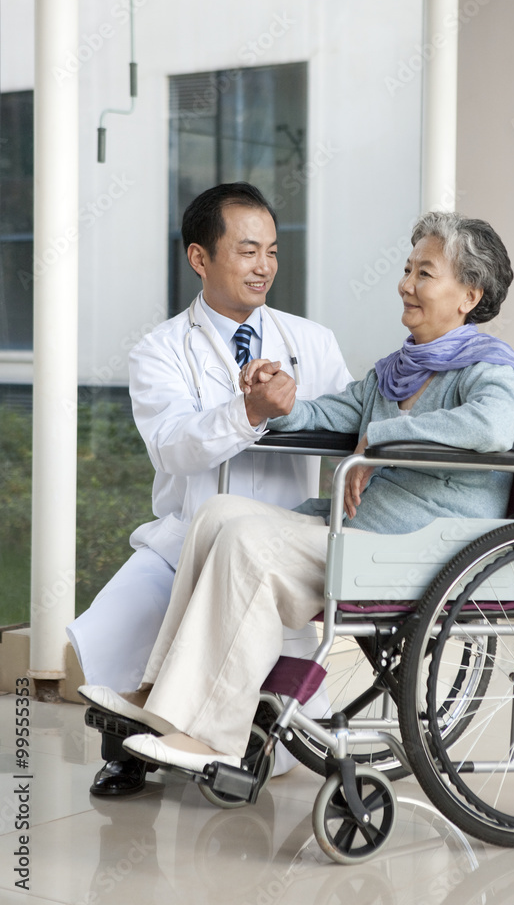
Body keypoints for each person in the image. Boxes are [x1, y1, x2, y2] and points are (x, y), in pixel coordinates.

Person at [79, 210, 514, 775]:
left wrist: (383, 437)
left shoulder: (489, 369)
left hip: (422, 546)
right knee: (218, 514)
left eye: (424, 273)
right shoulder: (396, 372)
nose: (405, 284)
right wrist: (275, 399)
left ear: (469, 294)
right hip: (366, 534)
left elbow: (490, 430)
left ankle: (213, 733)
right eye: (407, 269)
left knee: (249, 543)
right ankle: (159, 695)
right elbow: (331, 412)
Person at [69, 181, 352, 794]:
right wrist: (248, 411)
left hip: (277, 547)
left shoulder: (312, 343)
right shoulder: (159, 351)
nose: (265, 268)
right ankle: (129, 751)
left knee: (269, 709)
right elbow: (174, 444)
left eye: (273, 252)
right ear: (200, 259)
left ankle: (217, 738)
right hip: (185, 543)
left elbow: (354, 426)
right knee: (122, 633)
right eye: (248, 252)